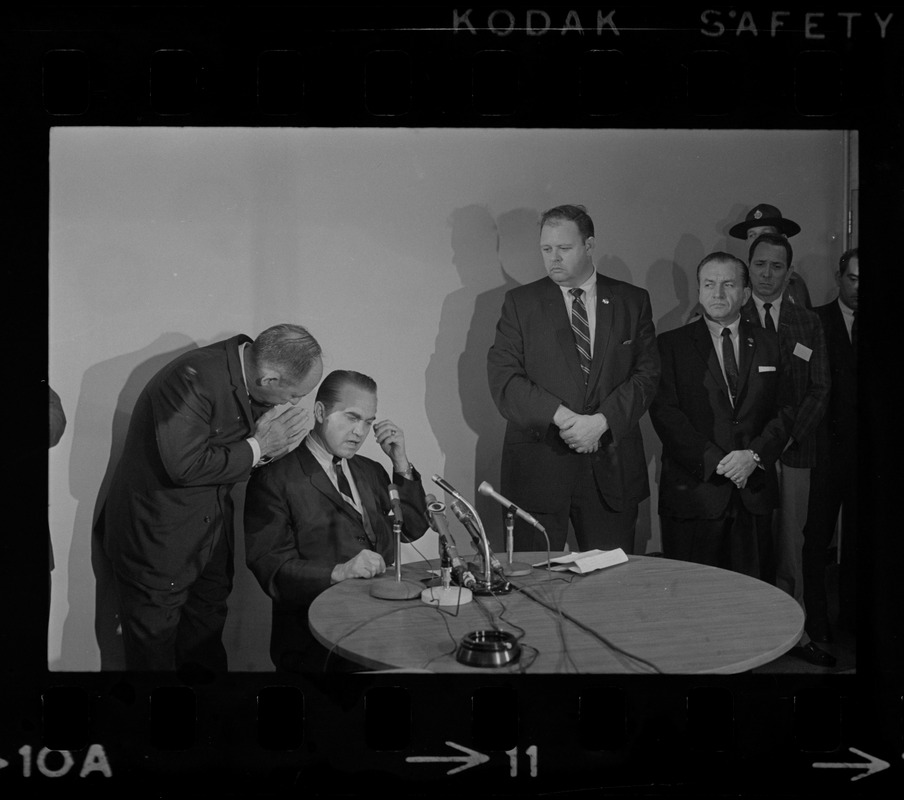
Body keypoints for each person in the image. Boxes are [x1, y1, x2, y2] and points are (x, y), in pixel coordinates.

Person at [103, 324, 323, 671]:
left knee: (204, 650)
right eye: (295, 394)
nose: (295, 403)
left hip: (209, 540)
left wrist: (261, 452)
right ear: (268, 378)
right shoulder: (190, 378)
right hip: (158, 545)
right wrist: (260, 446)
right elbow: (184, 467)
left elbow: (228, 457)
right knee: (153, 659)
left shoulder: (249, 376)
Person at [486, 204, 660, 554]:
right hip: (539, 471)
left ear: (589, 246)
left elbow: (647, 374)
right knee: (534, 583)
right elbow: (504, 379)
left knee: (609, 586)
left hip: (610, 470)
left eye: (563, 249)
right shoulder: (520, 303)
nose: (553, 259)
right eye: (546, 249)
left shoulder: (632, 301)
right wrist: (567, 420)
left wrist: (601, 422)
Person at [244, 370, 429, 673]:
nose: (360, 431)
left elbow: (411, 529)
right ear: (320, 413)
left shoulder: (372, 471)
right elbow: (270, 567)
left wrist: (401, 463)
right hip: (316, 643)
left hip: (380, 628)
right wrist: (339, 572)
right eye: (351, 417)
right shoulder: (274, 479)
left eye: (368, 422)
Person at [650, 252, 797, 579]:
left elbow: (786, 409)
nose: (717, 294)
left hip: (752, 491)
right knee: (692, 598)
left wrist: (754, 456)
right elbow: (665, 414)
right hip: (694, 494)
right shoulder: (670, 345)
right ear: (699, 291)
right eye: (709, 284)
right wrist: (717, 461)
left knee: (752, 597)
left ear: (745, 294)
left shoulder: (770, 343)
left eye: (728, 285)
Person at [741, 233, 834, 667]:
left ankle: (793, 633)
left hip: (794, 453)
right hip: (744, 455)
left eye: (776, 266)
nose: (766, 274)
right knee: (747, 544)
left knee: (790, 545)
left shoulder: (807, 323)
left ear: (789, 271)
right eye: (760, 264)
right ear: (748, 266)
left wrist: (789, 437)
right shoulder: (730, 314)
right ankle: (748, 630)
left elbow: (820, 388)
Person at [803, 248, 858, 642]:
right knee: (816, 539)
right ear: (839, 276)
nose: (859, 288)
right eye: (853, 278)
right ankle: (815, 621)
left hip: (867, 459)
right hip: (824, 452)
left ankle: (853, 620)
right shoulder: (815, 321)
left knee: (860, 540)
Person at [728, 203, 811, 309]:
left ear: (782, 239)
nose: (757, 240)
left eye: (765, 234)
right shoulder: (734, 282)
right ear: (747, 242)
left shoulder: (796, 283)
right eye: (752, 235)